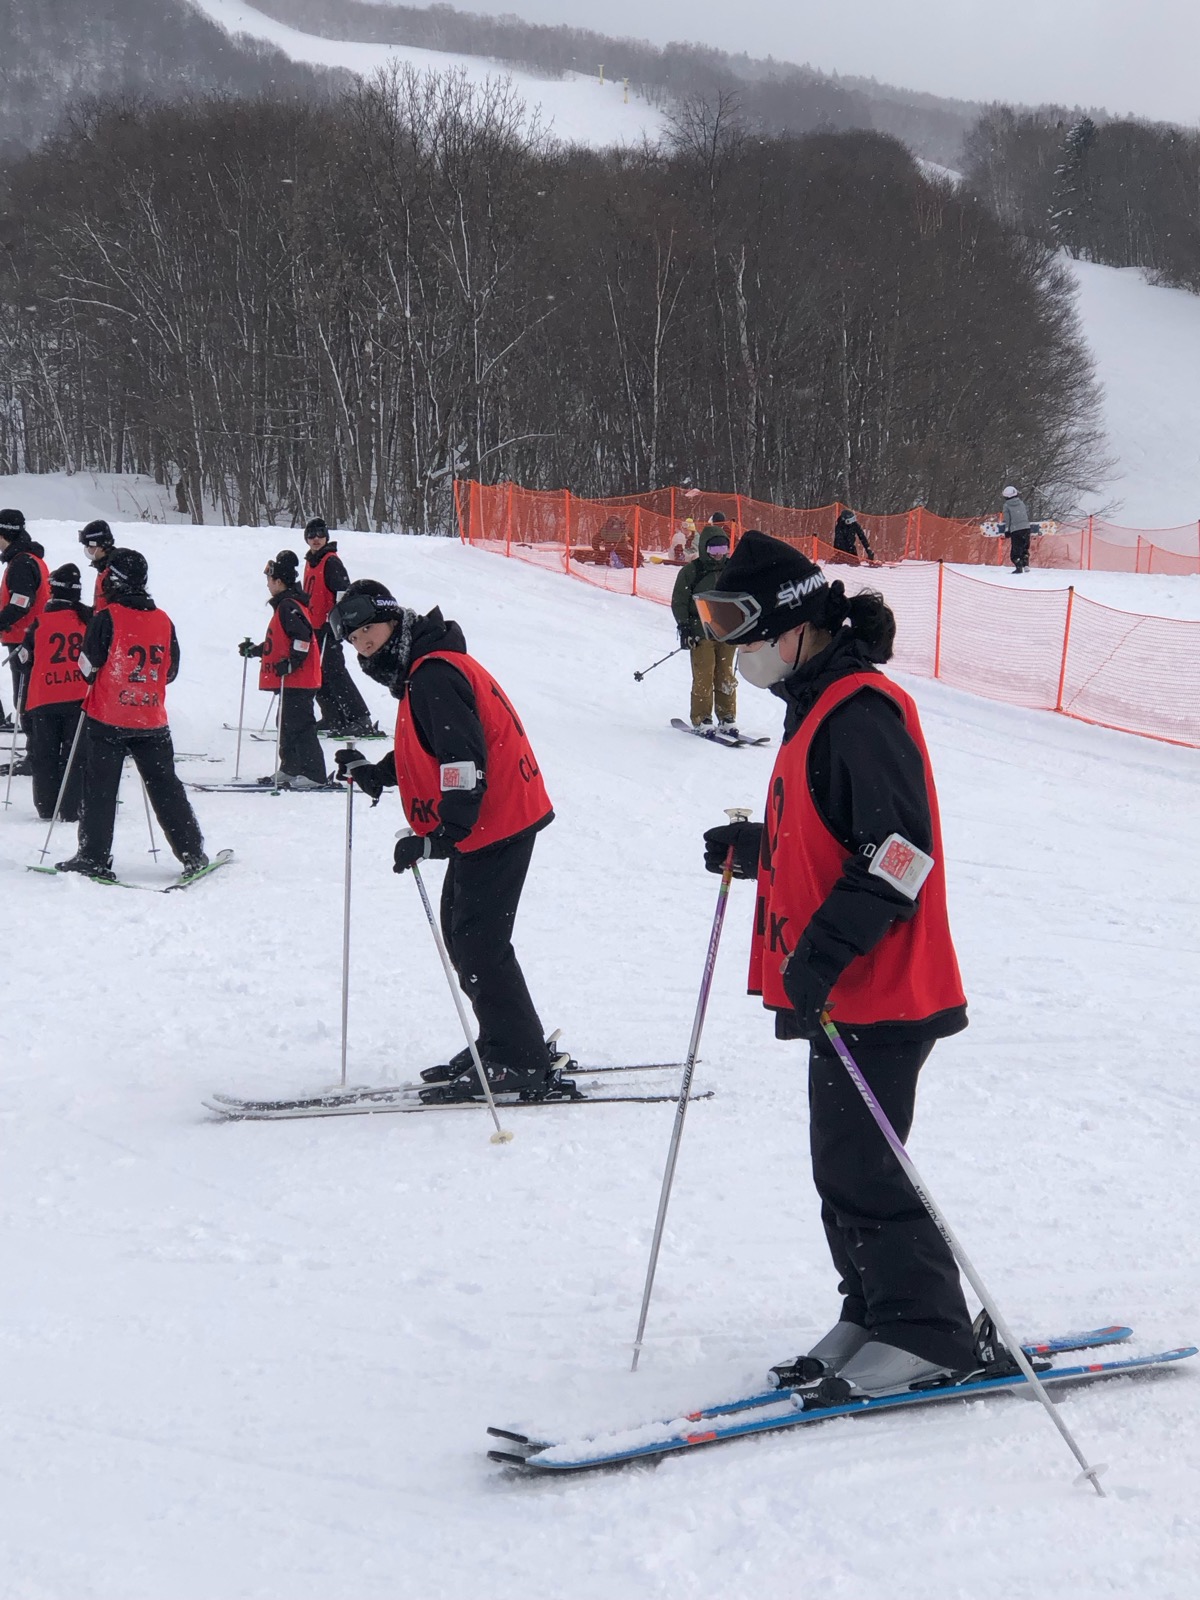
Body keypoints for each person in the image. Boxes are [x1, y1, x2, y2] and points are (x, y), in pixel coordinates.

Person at [694, 529, 977, 1399]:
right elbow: (835, 829)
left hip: (885, 986)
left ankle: (929, 1330)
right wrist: (761, 844)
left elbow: (900, 855)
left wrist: (819, 954)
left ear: (797, 622)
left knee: (868, 1165)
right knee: (840, 1164)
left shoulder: (857, 710)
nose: (739, 655)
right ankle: (872, 1307)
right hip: (843, 991)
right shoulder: (817, 706)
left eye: (746, 634)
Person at [328, 579, 559, 1101]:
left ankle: (519, 1057)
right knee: (467, 936)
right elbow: (429, 748)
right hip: (497, 816)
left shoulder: (431, 674)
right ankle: (503, 1039)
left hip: (496, 820)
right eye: (354, 638)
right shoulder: (426, 668)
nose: (365, 643)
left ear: (393, 621)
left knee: (479, 942)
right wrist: (378, 774)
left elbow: (462, 762)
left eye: (370, 629)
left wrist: (443, 837)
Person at [57, 547, 207, 880]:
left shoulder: (107, 617)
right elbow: (170, 670)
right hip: (151, 719)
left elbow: (87, 668)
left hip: (108, 718)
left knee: (99, 790)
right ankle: (192, 852)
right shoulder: (163, 619)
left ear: (116, 580)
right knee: (166, 788)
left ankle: (93, 856)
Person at [238, 550, 327, 789]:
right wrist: (255, 650)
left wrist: (292, 663)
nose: (267, 585)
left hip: (300, 678)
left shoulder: (289, 605)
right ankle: (291, 767)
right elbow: (279, 643)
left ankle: (314, 773)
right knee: (286, 723)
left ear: (278, 581)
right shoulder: (285, 605)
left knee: (300, 725)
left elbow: (303, 638)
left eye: (269, 580)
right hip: (291, 679)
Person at [16, 563, 91, 821]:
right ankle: (72, 807)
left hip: (44, 699)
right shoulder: (88, 620)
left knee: (44, 755)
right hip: (79, 698)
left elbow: (24, 660)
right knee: (74, 756)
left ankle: (47, 805)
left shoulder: (40, 623)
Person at [300, 517, 375, 737]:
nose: (316, 539)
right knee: (318, 672)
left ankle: (361, 718)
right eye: (311, 535)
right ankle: (333, 715)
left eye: (320, 534)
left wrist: (339, 622)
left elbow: (344, 593)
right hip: (313, 626)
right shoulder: (311, 560)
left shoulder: (330, 561)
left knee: (335, 672)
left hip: (329, 626)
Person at [671, 523, 738, 733]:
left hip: (727, 630)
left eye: (723, 550)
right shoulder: (692, 571)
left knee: (726, 675)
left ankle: (727, 716)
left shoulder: (732, 569)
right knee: (704, 675)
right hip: (701, 631)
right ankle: (702, 717)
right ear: (704, 550)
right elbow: (679, 601)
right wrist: (684, 628)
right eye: (713, 550)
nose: (718, 555)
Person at [0, 507, 49, 718]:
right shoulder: (28, 558)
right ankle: (37, 743)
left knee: (26, 698)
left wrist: (2, 621)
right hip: (29, 635)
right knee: (29, 696)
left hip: (24, 637)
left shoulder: (22, 562)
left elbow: (21, 603)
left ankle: (37, 745)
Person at [79, 520, 115, 611]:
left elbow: (113, 611)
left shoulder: (113, 573)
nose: (87, 550)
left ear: (102, 546)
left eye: (90, 546)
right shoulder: (102, 568)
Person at [1001, 486, 1032, 574]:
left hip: (1016, 530)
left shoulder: (1006, 505)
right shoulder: (1021, 503)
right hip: (1026, 528)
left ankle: (1018, 566)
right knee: (1025, 548)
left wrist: (1007, 530)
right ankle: (1026, 564)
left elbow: (1008, 519)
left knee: (1015, 552)